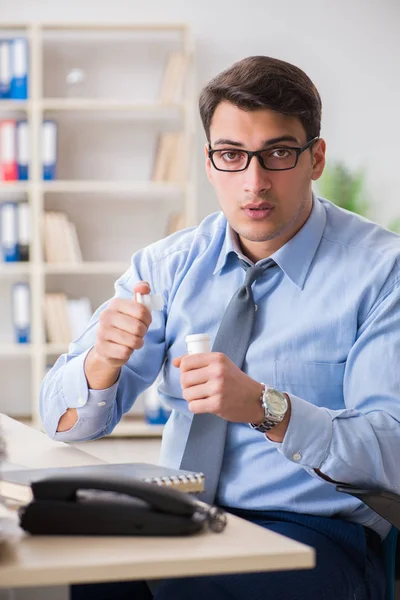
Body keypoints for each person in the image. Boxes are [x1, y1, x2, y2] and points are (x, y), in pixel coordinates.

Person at [39, 55, 398, 600]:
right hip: (178, 515)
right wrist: (101, 364)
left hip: (314, 529)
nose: (254, 183)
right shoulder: (165, 265)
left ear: (316, 157)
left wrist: (267, 408)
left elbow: (391, 452)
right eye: (232, 156)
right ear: (209, 161)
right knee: (90, 576)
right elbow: (62, 423)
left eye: (277, 153)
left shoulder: (382, 272)